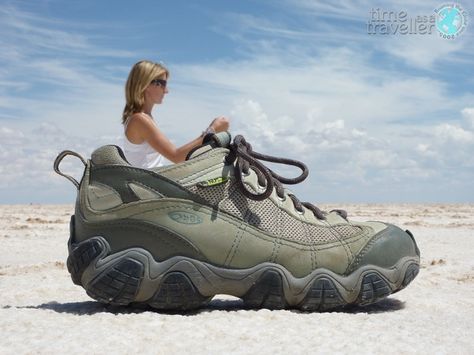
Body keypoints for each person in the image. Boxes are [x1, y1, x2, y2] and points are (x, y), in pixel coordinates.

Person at [121, 60, 229, 168]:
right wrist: (212, 130)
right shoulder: (139, 120)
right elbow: (176, 156)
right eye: (163, 84)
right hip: (148, 184)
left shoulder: (143, 118)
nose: (166, 90)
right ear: (146, 84)